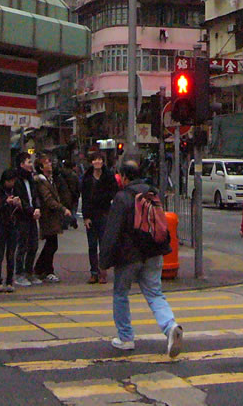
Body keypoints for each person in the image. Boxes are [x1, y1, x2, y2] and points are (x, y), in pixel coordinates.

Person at [99, 158, 183, 358]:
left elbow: (113, 231)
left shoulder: (122, 197)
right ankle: (170, 326)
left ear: (124, 177)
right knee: (155, 294)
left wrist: (103, 262)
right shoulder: (152, 193)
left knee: (121, 294)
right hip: (153, 253)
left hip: (129, 256)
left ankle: (126, 338)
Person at [81, 150, 118, 284]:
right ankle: (93, 272)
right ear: (91, 162)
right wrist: (86, 217)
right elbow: (84, 198)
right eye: (94, 160)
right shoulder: (87, 177)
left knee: (104, 245)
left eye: (99, 159)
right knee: (92, 245)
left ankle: (103, 271)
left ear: (103, 162)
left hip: (104, 214)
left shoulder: (108, 176)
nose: (97, 162)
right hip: (91, 216)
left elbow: (114, 192)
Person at [32, 155, 71, 283]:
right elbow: (48, 200)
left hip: (52, 216)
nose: (50, 165)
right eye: (47, 163)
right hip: (48, 216)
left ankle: (41, 268)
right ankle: (46, 270)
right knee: (51, 244)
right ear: (41, 167)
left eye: (50, 162)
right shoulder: (42, 182)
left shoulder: (50, 180)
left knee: (52, 244)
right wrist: (62, 209)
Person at [0, 169, 24, 291]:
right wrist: (5, 202)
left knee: (11, 254)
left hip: (13, 225)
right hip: (0, 226)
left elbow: (22, 209)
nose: (12, 183)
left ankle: (10, 281)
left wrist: (18, 204)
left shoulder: (16, 190)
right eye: (10, 181)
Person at [12, 152, 41, 287]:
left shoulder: (31, 179)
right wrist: (30, 210)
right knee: (22, 245)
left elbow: (35, 196)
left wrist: (37, 208)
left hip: (32, 216)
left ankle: (29, 271)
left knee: (33, 245)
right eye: (28, 162)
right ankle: (19, 273)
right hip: (22, 217)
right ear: (21, 164)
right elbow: (21, 200)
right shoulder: (17, 180)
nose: (31, 165)